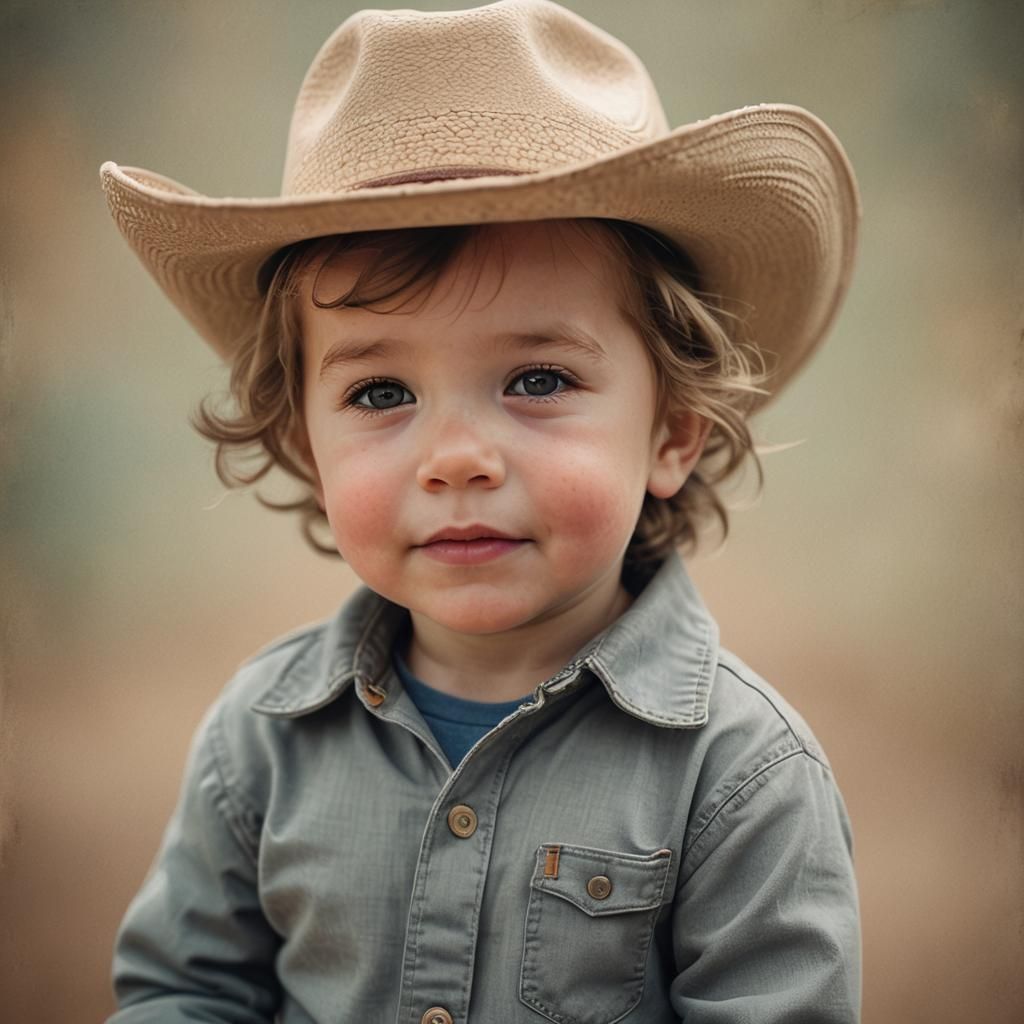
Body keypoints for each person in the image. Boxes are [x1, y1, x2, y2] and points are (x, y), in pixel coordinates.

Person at [100, 1, 861, 1021]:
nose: (456, 458)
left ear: (673, 430)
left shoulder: (740, 775)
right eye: (380, 395)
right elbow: (182, 991)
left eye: (537, 378)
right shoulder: (261, 741)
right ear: (303, 445)